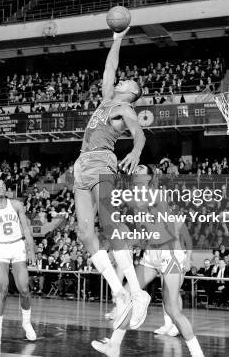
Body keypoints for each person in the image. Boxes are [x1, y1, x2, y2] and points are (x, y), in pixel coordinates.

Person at [72, 26, 150, 331]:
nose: (124, 79)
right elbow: (109, 66)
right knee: (84, 232)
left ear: (132, 93)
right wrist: (117, 39)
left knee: (108, 221)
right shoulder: (106, 99)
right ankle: (119, 293)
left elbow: (138, 132)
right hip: (81, 164)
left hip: (103, 160)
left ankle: (136, 291)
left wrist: (137, 152)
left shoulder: (124, 106)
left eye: (129, 81)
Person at [92, 180, 204, 357]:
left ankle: (197, 353)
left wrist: (102, 191)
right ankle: (114, 345)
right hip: (151, 255)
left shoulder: (156, 198)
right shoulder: (139, 208)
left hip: (170, 255)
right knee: (126, 295)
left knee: (172, 309)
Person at [0, 179, 36, 345]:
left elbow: (26, 228)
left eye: (3, 184)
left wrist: (31, 249)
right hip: (0, 249)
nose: (1, 186)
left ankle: (26, 322)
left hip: (17, 246)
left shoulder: (16, 205)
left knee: (24, 289)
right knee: (2, 288)